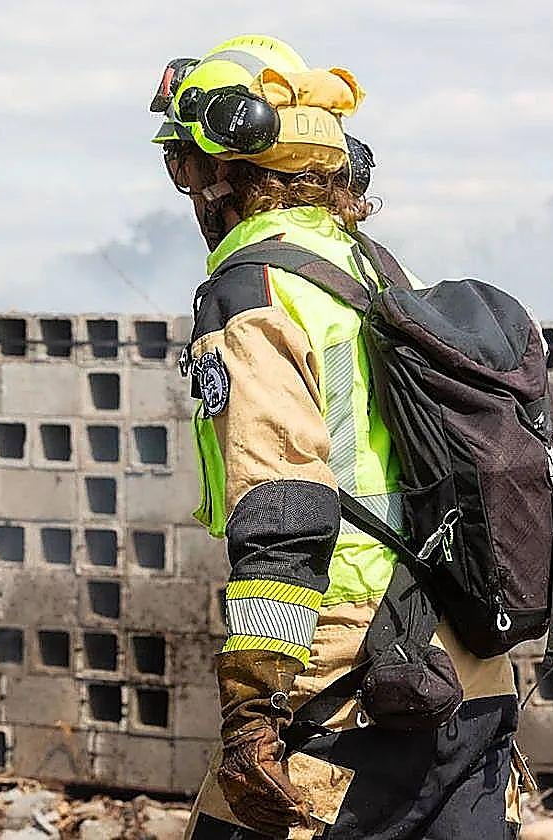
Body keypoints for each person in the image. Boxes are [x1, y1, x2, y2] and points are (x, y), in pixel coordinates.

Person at [151, 35, 521, 839]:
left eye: (182, 164)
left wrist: (255, 712)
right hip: (471, 666)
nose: (185, 190)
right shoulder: (385, 273)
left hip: (352, 685)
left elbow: (284, 508)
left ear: (225, 170)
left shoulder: (254, 293)